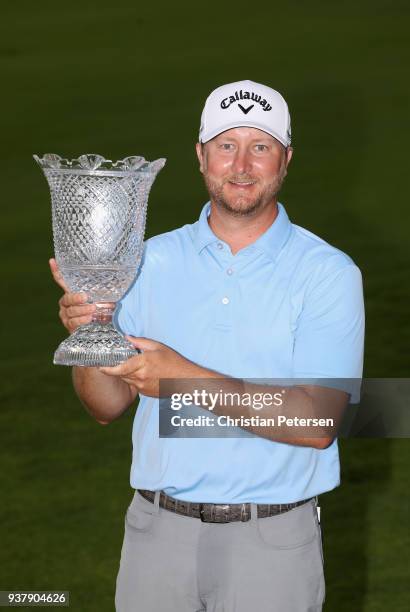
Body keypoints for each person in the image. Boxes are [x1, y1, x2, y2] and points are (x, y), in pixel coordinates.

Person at [50, 79, 365, 612]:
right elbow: (105, 406)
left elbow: (318, 421)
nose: (241, 166)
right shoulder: (144, 262)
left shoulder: (327, 273)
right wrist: (90, 330)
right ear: (200, 156)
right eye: (226, 145)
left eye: (260, 147)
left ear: (285, 159)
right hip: (156, 534)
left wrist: (182, 378)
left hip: (272, 543)